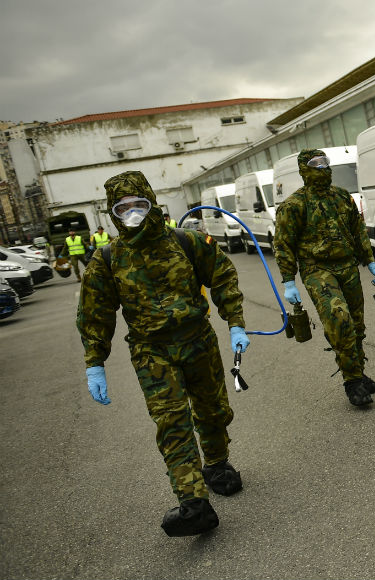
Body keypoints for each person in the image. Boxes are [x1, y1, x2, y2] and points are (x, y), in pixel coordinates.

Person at [77, 170, 250, 536]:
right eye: (123, 208)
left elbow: (222, 276)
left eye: (139, 204)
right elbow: (96, 314)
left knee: (213, 409)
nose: (133, 213)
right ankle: (194, 503)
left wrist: (235, 321)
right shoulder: (107, 260)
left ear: (152, 203)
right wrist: (95, 362)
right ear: (113, 213)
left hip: (198, 340)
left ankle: (217, 464)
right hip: (151, 352)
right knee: (172, 423)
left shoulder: (186, 242)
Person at [274, 149, 375, 407]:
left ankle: (358, 372)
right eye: (315, 164)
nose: (322, 167)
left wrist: (370, 262)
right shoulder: (293, 205)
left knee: (357, 325)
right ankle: (352, 382)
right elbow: (283, 245)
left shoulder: (342, 197)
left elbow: (358, 231)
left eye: (325, 162)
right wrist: (288, 281)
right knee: (339, 320)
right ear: (304, 169)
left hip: (348, 267)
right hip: (317, 271)